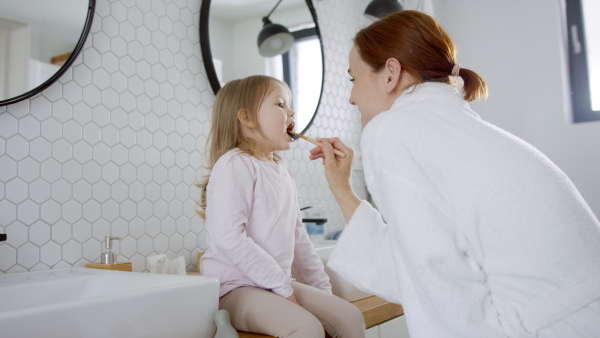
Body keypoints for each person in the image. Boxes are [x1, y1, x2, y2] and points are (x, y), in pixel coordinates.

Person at [309, 10, 600, 338]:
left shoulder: (392, 130)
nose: (350, 97)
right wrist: (341, 188)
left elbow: (438, 279)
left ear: (390, 73)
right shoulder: (453, 129)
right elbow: (415, 262)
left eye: (353, 78)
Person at [198, 75, 365, 338]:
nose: (291, 111)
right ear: (247, 119)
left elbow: (298, 238)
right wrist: (284, 289)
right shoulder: (234, 164)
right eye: (279, 104)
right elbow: (230, 238)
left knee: (349, 317)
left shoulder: (282, 171)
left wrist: (324, 293)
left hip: (275, 285)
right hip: (234, 290)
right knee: (306, 328)